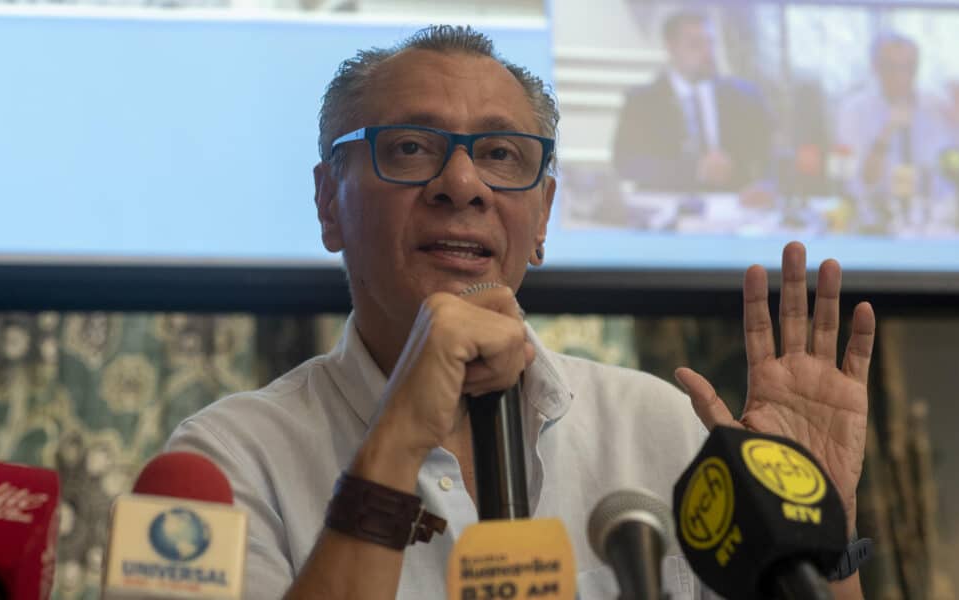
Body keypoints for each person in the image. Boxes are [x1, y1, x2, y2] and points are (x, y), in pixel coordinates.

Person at [166, 25, 874, 600]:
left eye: (501, 154)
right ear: (329, 204)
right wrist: (397, 439)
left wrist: (812, 541)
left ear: (542, 219)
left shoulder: (661, 429)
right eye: (412, 148)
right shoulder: (227, 462)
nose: (462, 184)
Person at [611, 10, 773, 195]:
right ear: (670, 48)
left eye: (710, 43)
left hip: (733, 208)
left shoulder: (744, 97)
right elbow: (625, 164)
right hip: (667, 210)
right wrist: (694, 171)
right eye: (696, 45)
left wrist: (765, 184)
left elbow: (768, 155)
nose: (708, 52)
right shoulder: (642, 102)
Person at [835, 32, 949, 233]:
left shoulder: (935, 107)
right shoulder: (854, 110)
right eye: (892, 67)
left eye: (909, 67)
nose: (901, 76)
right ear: (875, 67)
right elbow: (857, 180)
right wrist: (887, 131)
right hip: (875, 221)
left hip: (932, 222)